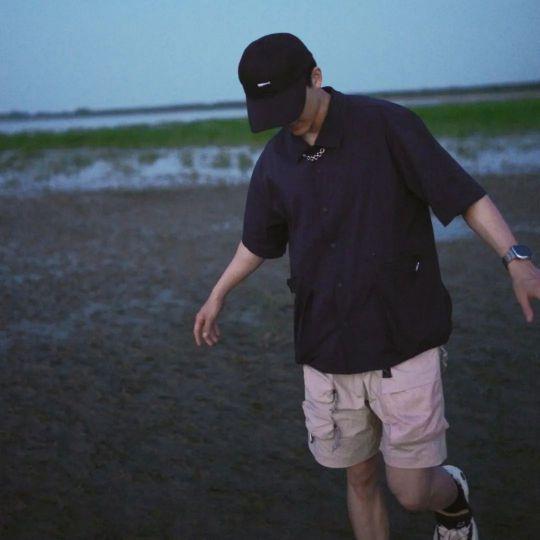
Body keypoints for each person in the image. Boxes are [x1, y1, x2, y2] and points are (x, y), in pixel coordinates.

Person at [193, 32, 540, 540]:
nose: (287, 121)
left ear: (316, 77)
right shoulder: (275, 162)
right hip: (326, 344)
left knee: (411, 491)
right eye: (271, 112)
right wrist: (218, 293)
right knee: (358, 477)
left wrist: (516, 260)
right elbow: (258, 242)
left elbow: (463, 195)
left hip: (402, 337)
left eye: (290, 105)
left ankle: (452, 500)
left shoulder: (387, 126)